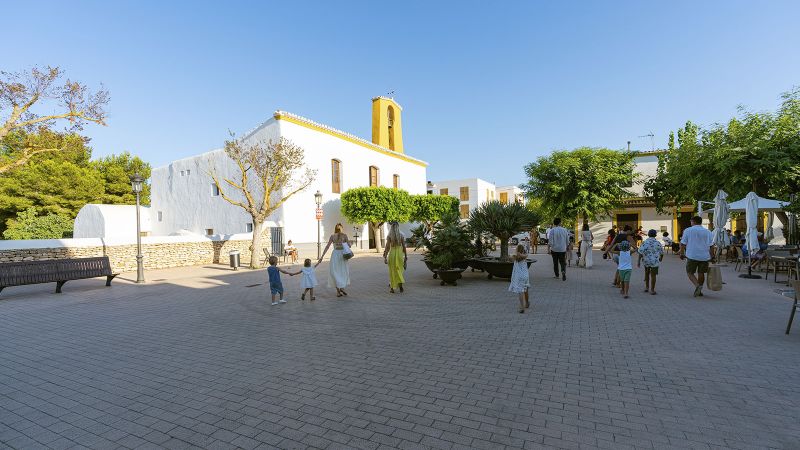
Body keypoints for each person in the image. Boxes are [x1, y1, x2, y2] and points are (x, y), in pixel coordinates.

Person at [680, 215, 715, 298]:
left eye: (691, 221)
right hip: (704, 256)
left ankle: (697, 286)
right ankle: (699, 291)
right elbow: (711, 246)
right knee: (701, 273)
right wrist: (712, 256)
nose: (690, 223)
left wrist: (681, 253)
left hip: (692, 255)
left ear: (694, 221)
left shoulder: (688, 230)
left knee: (690, 272)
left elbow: (683, 243)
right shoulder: (708, 232)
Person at [318, 223, 351, 297]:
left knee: (335, 272)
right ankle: (342, 287)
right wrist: (348, 243)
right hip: (343, 255)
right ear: (342, 228)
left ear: (335, 229)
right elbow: (349, 246)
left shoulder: (332, 236)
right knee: (343, 271)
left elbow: (327, 246)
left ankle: (338, 291)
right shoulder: (344, 236)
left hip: (335, 255)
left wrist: (322, 256)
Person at [383, 222, 408, 293]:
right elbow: (404, 247)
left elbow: (387, 247)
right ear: (398, 227)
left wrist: (385, 256)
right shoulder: (401, 235)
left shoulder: (389, 236)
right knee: (399, 270)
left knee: (392, 271)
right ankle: (400, 285)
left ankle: (392, 288)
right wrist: (406, 256)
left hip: (392, 254)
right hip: (400, 254)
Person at [638, 229, 664, 295]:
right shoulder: (658, 243)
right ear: (655, 235)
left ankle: (647, 287)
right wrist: (661, 258)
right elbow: (661, 252)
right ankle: (652, 290)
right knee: (653, 275)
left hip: (646, 261)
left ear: (648, 235)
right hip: (654, 261)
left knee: (646, 274)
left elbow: (640, 252)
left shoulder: (644, 242)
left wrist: (638, 261)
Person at [509, 244, 530, 313]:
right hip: (525, 276)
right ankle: (527, 303)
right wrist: (519, 254)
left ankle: (522, 307)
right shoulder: (525, 256)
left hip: (519, 276)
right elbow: (525, 256)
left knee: (520, 291)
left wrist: (515, 254)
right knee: (525, 289)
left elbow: (510, 258)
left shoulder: (516, 257)